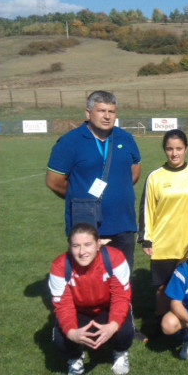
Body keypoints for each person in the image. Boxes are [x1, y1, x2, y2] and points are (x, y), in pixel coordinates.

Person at [46, 90, 141, 271]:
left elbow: (134, 171)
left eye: (111, 112)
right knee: (88, 279)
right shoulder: (70, 142)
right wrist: (81, 197)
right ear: (88, 113)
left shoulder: (125, 138)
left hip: (123, 223)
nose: (107, 116)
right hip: (87, 225)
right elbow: (54, 181)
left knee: (122, 277)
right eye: (101, 111)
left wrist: (117, 192)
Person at [49, 223, 134, 375]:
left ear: (98, 244)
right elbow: (63, 304)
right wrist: (72, 332)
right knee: (61, 340)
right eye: (76, 246)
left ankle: (120, 352)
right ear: (69, 247)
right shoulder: (59, 266)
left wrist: (113, 325)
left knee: (125, 331)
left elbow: (121, 296)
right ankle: (75, 357)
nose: (82, 252)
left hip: (106, 307)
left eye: (88, 244)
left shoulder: (115, 258)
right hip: (79, 310)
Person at [138, 129, 188, 323]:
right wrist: (146, 239)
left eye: (179, 149)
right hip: (164, 243)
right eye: (169, 149)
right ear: (164, 150)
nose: (174, 153)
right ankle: (161, 325)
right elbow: (147, 209)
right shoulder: (155, 177)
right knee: (163, 289)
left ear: (186, 149)